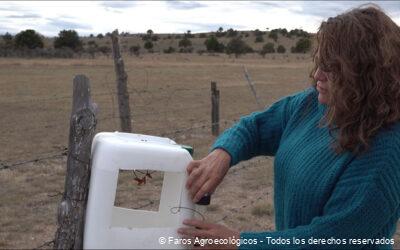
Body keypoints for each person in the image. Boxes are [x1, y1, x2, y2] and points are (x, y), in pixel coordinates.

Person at [178, 5, 400, 250]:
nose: (317, 75)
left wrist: (240, 243)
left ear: (366, 76)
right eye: (319, 63)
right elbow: (255, 128)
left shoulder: (387, 150)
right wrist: (223, 154)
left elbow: (329, 240)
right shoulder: (311, 104)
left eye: (332, 69)